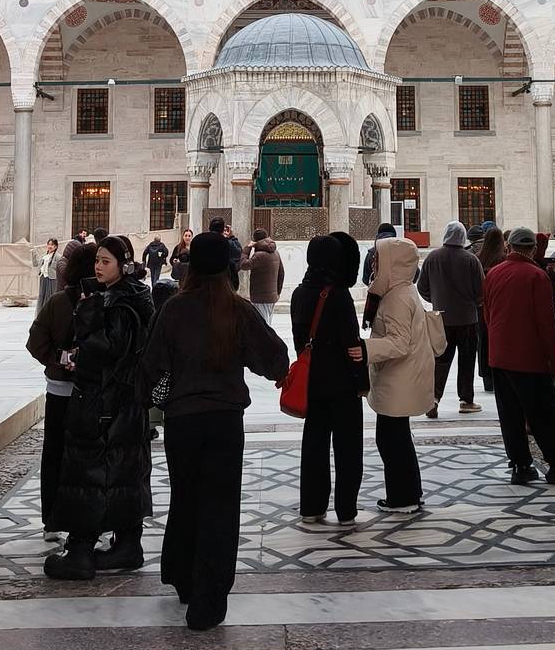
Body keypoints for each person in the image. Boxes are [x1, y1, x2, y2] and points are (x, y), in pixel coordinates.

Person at [139, 231, 288, 629]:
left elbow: (149, 366)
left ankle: (183, 576)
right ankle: (208, 598)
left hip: (183, 421)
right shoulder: (236, 309)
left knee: (186, 498)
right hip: (224, 421)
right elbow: (274, 358)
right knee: (219, 505)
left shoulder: (173, 309)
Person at [43, 234, 155, 581]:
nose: (99, 267)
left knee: (89, 475)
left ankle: (80, 551)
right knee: (122, 474)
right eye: (97, 260)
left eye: (106, 261)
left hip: (102, 405)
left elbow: (107, 350)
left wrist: (88, 311)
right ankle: (127, 544)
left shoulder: (119, 304)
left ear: (124, 265)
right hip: (122, 406)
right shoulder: (131, 297)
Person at [482, 226, 555, 487]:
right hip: (530, 357)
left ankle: (520, 465)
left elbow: (487, 314)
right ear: (533, 249)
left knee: (510, 414)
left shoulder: (493, 273)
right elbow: (546, 324)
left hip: (500, 355)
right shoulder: (536, 276)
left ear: (509, 247)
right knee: (544, 414)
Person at [291, 233, 368, 524]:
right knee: (348, 449)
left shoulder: (299, 293)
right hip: (342, 383)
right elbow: (351, 343)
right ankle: (346, 510)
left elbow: (300, 341)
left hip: (313, 382)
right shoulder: (338, 295)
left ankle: (312, 507)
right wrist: (361, 380)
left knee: (314, 445)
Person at [26, 240, 95, 530]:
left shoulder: (56, 302)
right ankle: (85, 516)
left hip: (58, 390)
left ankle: (52, 515)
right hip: (90, 391)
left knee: (54, 452)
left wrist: (57, 359)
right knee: (88, 453)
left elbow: (35, 342)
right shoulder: (101, 301)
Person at [365, 236, 436, 513]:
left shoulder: (396, 298)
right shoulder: (402, 291)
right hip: (401, 377)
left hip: (399, 379)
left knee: (391, 440)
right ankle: (409, 492)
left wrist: (363, 348)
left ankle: (402, 498)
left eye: (379, 258)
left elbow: (399, 343)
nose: (374, 263)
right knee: (398, 438)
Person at [417, 221, 484, 418]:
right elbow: (481, 290)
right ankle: (466, 400)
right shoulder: (471, 260)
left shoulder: (433, 257)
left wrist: (436, 299)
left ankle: (433, 399)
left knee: (440, 360)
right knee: (467, 360)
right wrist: (473, 302)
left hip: (442, 319)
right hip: (467, 319)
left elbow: (422, 287)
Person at [475, 224, 507, 396]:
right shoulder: (503, 260)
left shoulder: (478, 259)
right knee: (499, 339)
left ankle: (487, 377)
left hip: (482, 306)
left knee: (484, 341)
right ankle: (499, 374)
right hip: (500, 306)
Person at [244, 228, 285, 322]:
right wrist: (277, 293)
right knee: (267, 323)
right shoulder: (276, 253)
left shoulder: (259, 255)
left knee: (262, 324)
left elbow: (244, 265)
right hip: (272, 296)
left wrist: (247, 248)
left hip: (260, 297)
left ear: (255, 241)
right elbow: (281, 274)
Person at [209, 215, 243, 288]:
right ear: (222, 230)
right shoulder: (226, 242)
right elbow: (238, 253)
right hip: (224, 280)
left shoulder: (203, 241)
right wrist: (232, 236)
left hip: (207, 279)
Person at [361, 222, 397, 289]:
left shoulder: (372, 253)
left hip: (378, 293)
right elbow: (414, 276)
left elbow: (366, 279)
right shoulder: (402, 250)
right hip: (400, 292)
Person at [35, 238, 59, 312]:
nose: (50, 246)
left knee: (50, 296)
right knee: (42, 295)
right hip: (43, 278)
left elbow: (59, 268)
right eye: (48, 244)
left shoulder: (58, 256)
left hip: (52, 279)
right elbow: (36, 264)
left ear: (55, 246)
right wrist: (34, 254)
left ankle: (50, 312)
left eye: (52, 245)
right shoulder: (44, 256)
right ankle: (43, 313)